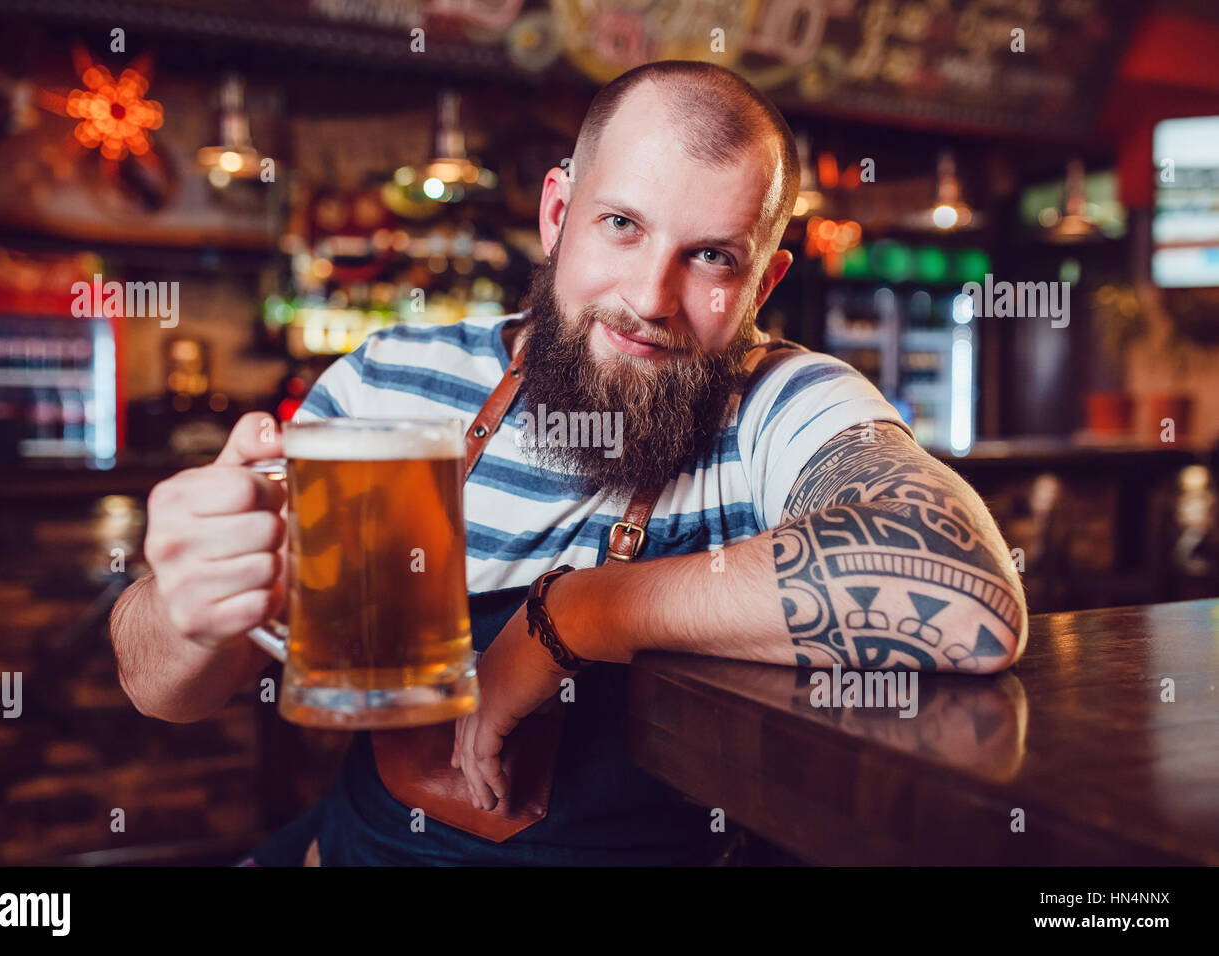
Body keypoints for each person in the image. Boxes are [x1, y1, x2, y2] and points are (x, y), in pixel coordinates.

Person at [110, 60, 1027, 866]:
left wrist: (579, 613)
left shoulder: (781, 399)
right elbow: (158, 692)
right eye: (621, 225)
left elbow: (970, 600)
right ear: (558, 215)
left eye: (711, 256)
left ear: (762, 283)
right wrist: (192, 611)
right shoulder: (394, 383)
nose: (649, 298)